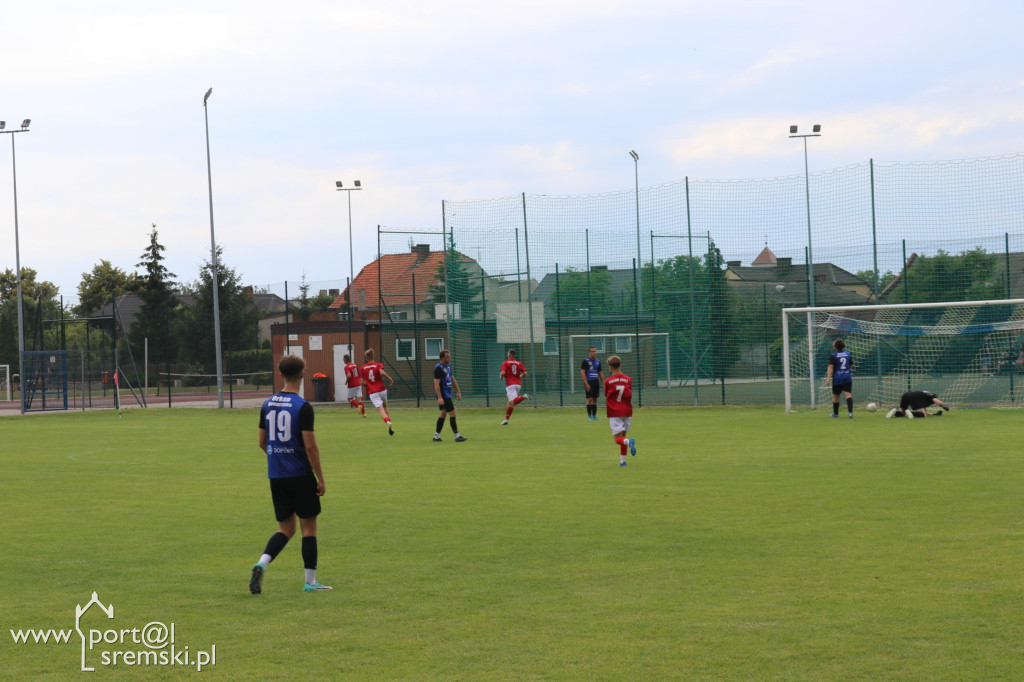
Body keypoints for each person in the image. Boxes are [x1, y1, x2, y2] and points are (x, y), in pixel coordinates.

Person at [250, 354, 331, 594]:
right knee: (308, 527)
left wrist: (279, 457)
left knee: (285, 528)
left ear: (281, 374)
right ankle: (310, 581)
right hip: (300, 474)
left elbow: (262, 442)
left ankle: (261, 563)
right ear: (303, 374)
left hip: (276, 475)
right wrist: (321, 478)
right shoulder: (302, 406)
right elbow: (311, 447)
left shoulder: (268, 404)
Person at [604, 355, 637, 466]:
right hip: (627, 411)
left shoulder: (608, 381)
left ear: (610, 367)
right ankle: (623, 462)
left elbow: (606, 395)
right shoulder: (628, 379)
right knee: (623, 436)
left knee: (618, 439)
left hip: (615, 411)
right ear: (620, 365)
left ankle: (629, 442)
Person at [433, 350, 467, 442]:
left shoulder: (448, 366)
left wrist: (458, 392)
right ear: (442, 358)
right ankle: (457, 436)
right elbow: (436, 384)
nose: (449, 359)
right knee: (452, 413)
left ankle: (436, 436)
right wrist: (440, 397)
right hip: (444, 395)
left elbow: (453, 379)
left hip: (447, 394)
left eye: (449, 357)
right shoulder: (438, 368)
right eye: (447, 357)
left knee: (443, 414)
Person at [361, 348, 395, 435]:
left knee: (381, 410)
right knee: (385, 406)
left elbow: (362, 383)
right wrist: (390, 378)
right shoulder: (378, 365)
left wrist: (367, 385)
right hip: (382, 390)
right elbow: (382, 373)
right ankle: (390, 426)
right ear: (374, 356)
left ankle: (388, 422)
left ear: (366, 357)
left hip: (373, 392)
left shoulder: (363, 368)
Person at [824, 338, 853, 419]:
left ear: (835, 347)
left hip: (838, 378)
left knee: (836, 396)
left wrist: (828, 378)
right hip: (847, 377)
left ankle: (836, 414)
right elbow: (850, 364)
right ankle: (850, 413)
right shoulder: (847, 354)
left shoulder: (834, 355)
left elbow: (830, 366)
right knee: (848, 395)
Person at [499, 348, 529, 425]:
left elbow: (502, 373)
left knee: (512, 402)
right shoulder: (519, 363)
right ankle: (506, 420)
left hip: (510, 384)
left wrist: (501, 377)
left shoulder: (506, 363)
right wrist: (520, 376)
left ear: (509, 355)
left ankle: (523, 396)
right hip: (518, 384)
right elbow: (525, 374)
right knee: (511, 403)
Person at [580, 347, 604, 421]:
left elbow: (600, 372)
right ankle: (589, 416)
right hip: (589, 382)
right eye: (592, 351)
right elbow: (583, 372)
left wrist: (604, 381)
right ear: (589, 352)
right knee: (590, 398)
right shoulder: (585, 361)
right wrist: (586, 382)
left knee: (595, 398)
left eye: (595, 351)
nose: (594, 352)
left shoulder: (598, 361)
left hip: (596, 381)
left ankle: (594, 416)